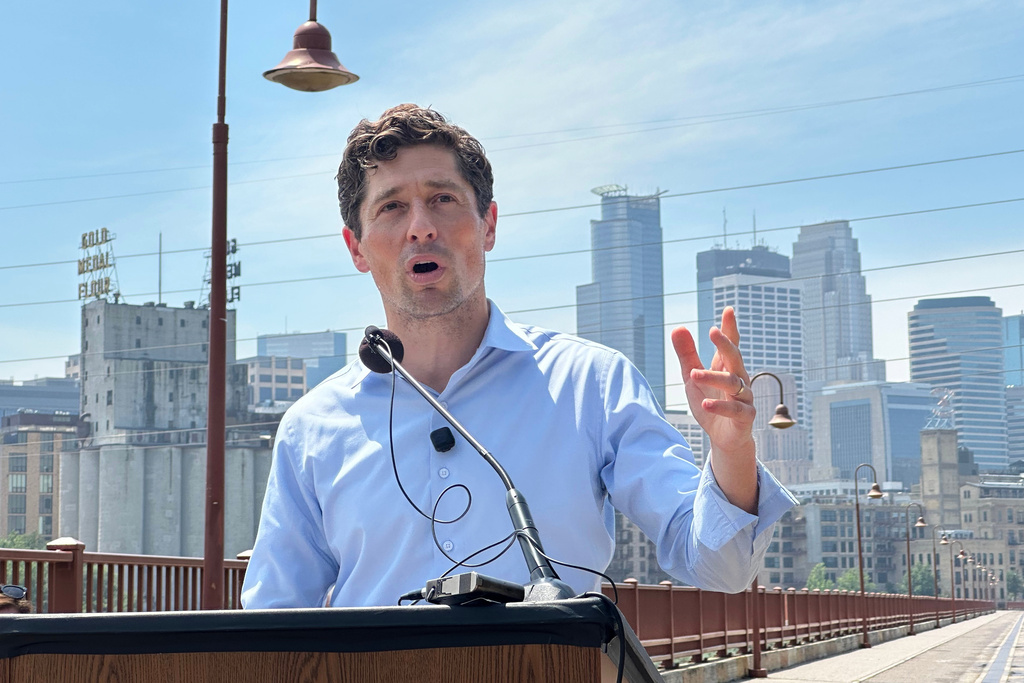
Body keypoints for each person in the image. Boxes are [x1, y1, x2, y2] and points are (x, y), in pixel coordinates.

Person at [241, 104, 797, 609]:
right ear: (356, 247)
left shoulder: (591, 384)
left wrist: (731, 455)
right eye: (391, 207)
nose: (421, 227)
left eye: (443, 198)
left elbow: (719, 569)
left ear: (488, 225)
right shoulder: (311, 428)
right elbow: (273, 623)